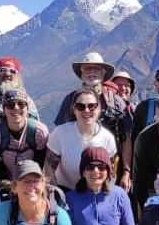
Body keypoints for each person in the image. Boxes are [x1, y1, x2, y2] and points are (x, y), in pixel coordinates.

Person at [53, 52, 133, 189]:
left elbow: (126, 139)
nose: (92, 72)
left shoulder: (116, 103)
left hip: (106, 176)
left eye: (95, 68)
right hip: (69, 183)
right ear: (81, 73)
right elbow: (58, 139)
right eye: (87, 68)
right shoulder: (69, 100)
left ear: (103, 73)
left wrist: (126, 171)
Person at [44, 88, 118, 191]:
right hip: (65, 191)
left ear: (99, 109)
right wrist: (55, 194)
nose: (86, 110)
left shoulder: (107, 138)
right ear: (74, 110)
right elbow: (49, 170)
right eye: (81, 106)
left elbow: (112, 172)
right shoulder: (60, 133)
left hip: (95, 192)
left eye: (92, 106)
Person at [0, 88, 49, 181]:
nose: (16, 108)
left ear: (27, 109)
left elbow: (41, 163)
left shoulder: (39, 132)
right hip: (4, 179)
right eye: (10, 105)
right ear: (4, 109)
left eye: (21, 104)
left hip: (32, 178)